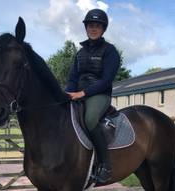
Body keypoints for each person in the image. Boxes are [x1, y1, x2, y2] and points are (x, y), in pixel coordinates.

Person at [65, 8, 120, 183]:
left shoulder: (110, 51)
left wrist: (83, 93)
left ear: (103, 29)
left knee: (90, 119)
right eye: (90, 25)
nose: (93, 28)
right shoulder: (80, 53)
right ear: (86, 27)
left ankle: (105, 165)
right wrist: (67, 94)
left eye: (97, 26)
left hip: (99, 94)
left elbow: (106, 80)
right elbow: (73, 77)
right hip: (78, 93)